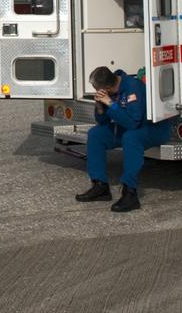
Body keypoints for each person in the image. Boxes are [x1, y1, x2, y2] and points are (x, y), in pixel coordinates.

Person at [74, 66, 173, 213]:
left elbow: (133, 123)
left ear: (108, 87)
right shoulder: (111, 90)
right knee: (96, 134)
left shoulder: (133, 87)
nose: (97, 92)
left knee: (130, 138)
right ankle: (100, 185)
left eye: (97, 89)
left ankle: (130, 193)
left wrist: (111, 104)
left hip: (155, 128)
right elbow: (103, 122)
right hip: (131, 126)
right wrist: (100, 107)